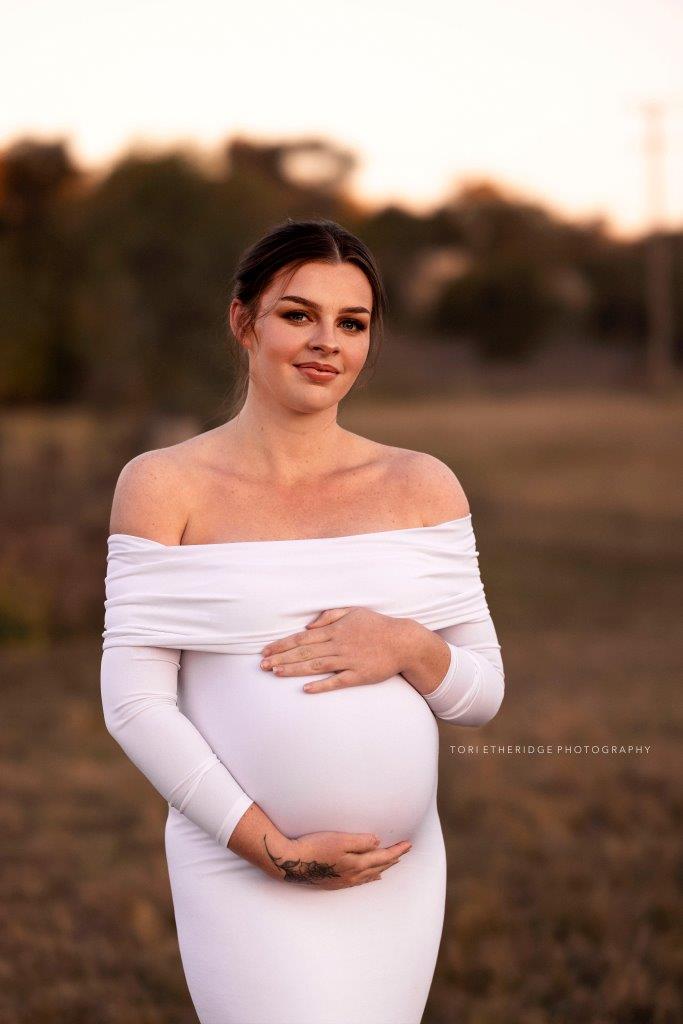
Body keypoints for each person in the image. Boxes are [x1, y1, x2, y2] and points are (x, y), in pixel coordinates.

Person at [100, 217, 505, 1024]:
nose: (326, 342)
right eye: (297, 314)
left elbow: (481, 693)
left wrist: (404, 644)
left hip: (398, 874)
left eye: (350, 324)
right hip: (244, 864)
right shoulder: (164, 486)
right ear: (243, 320)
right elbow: (135, 703)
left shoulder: (423, 487)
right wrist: (274, 852)